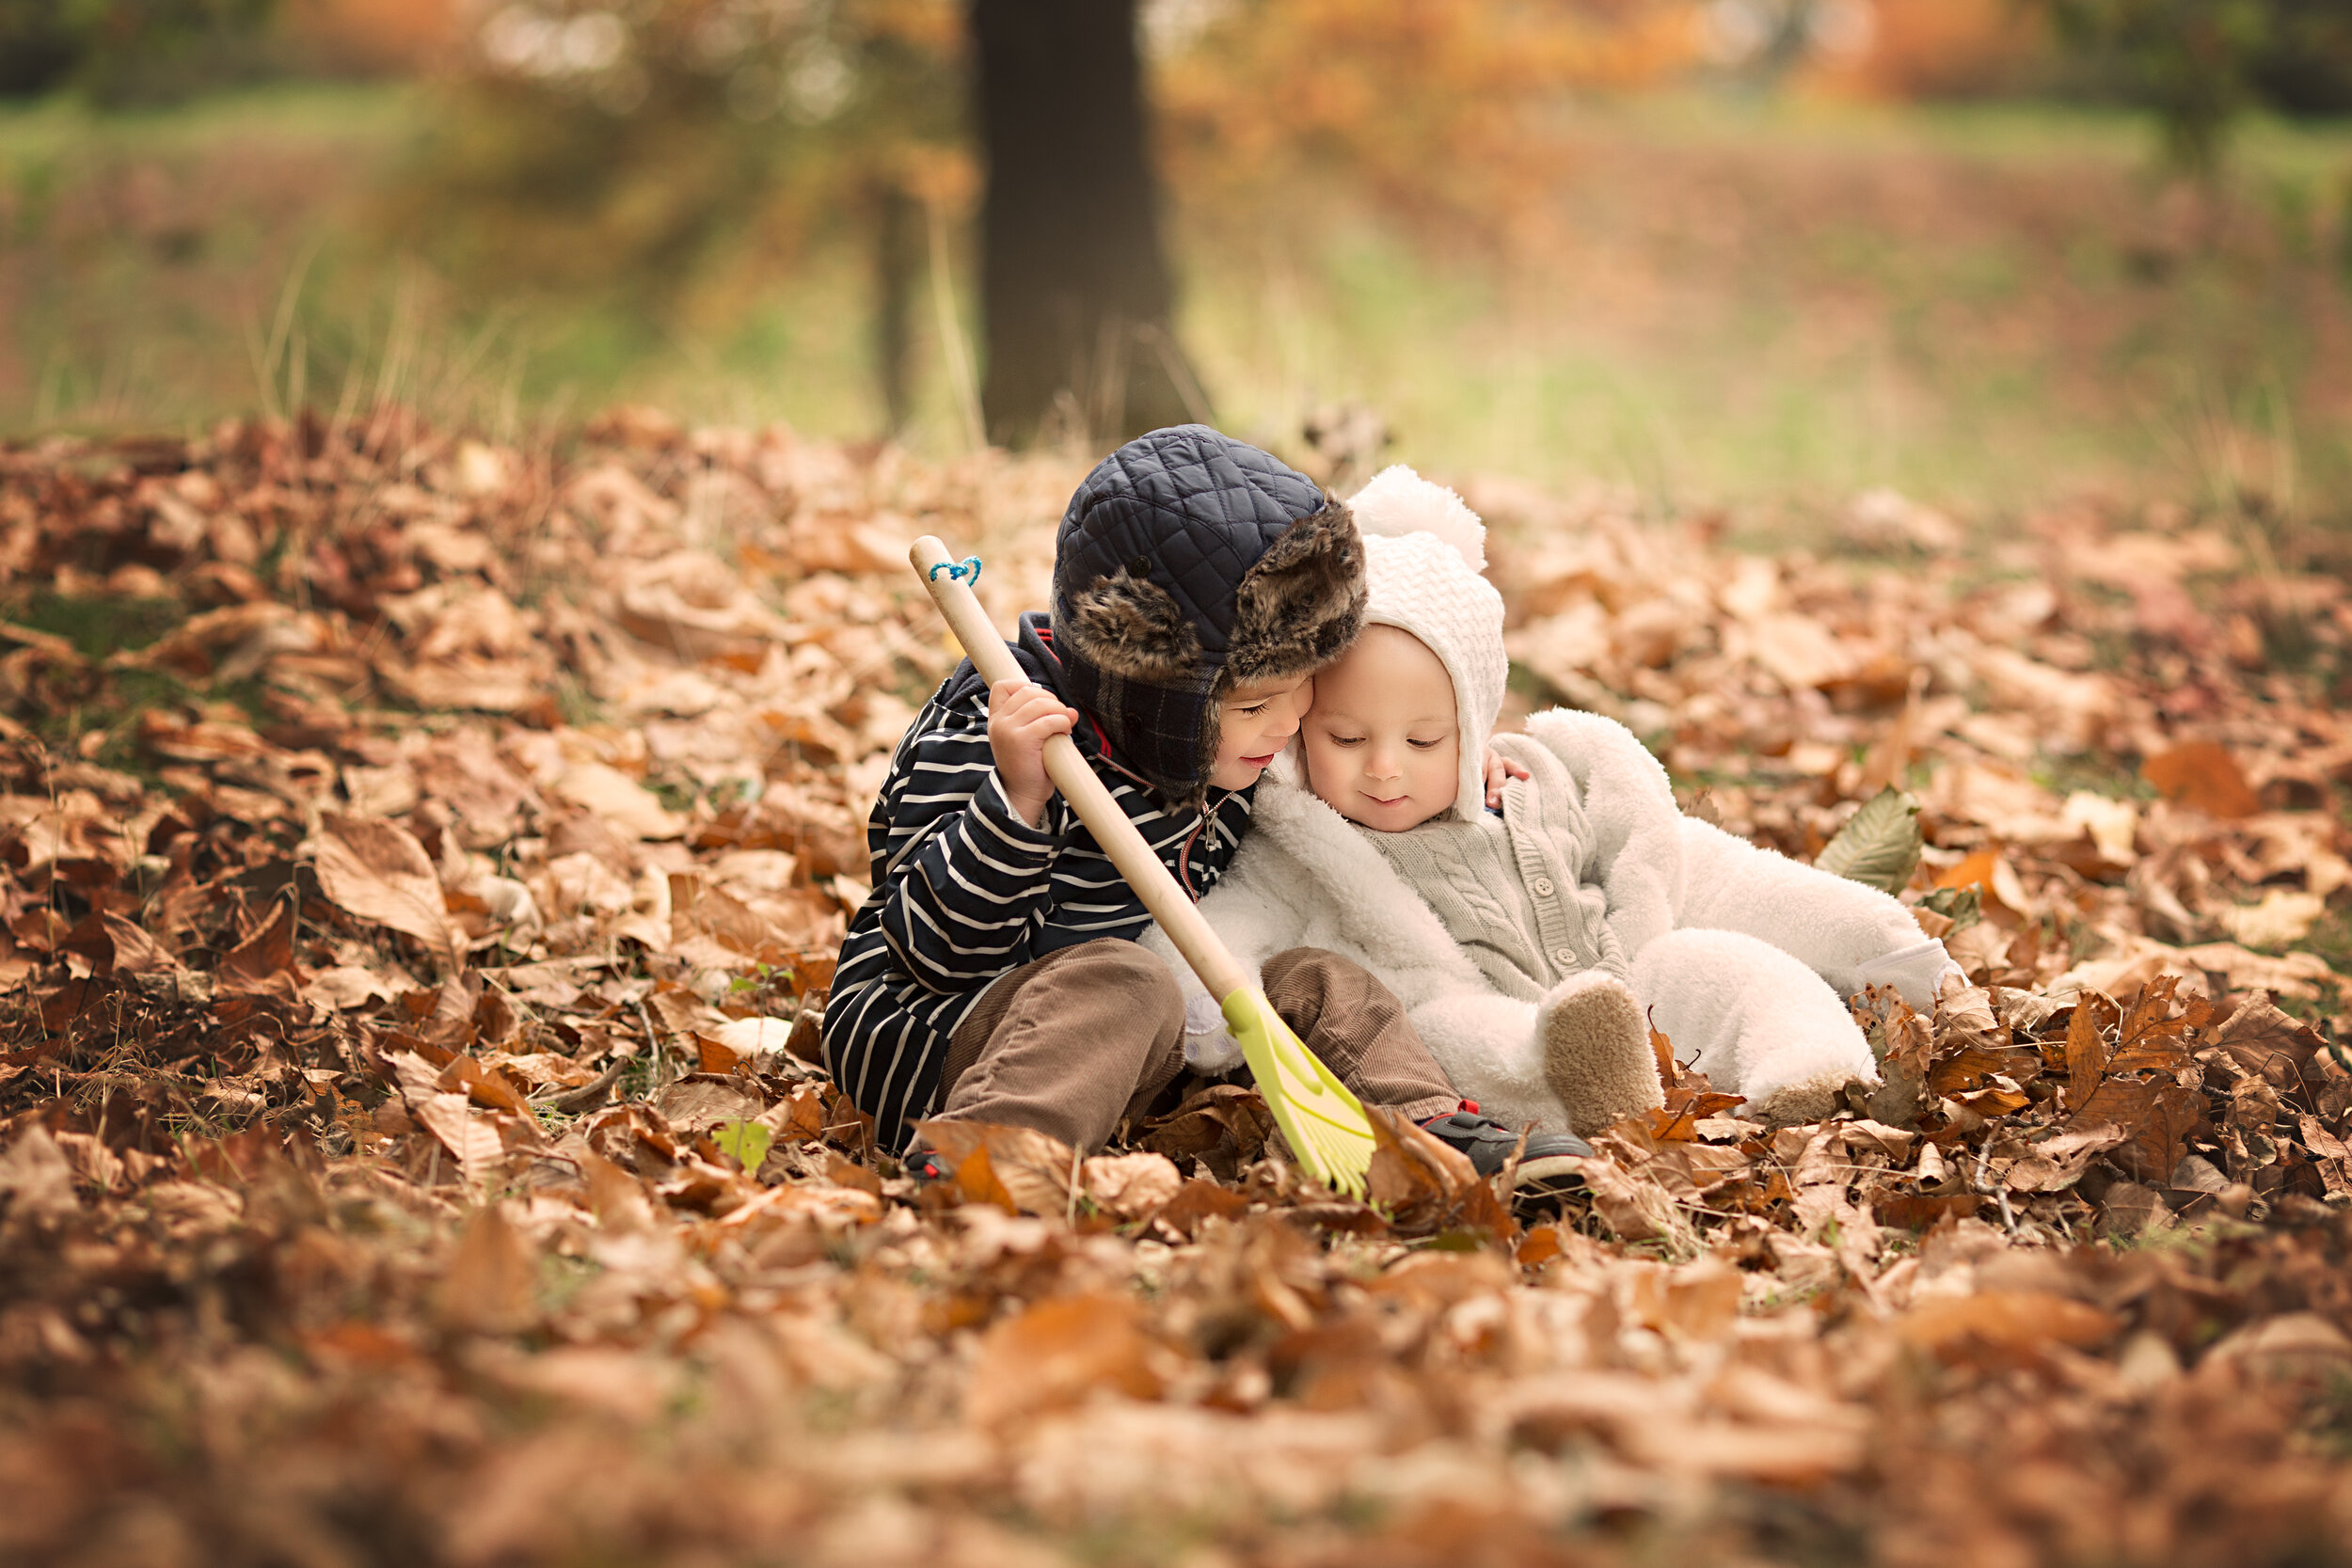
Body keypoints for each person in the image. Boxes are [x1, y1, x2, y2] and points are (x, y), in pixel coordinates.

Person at [822, 426, 1593, 1195]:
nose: (1290, 722)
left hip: (1156, 1031)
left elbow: (1362, 773)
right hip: (949, 1040)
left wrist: (1454, 762)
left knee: (1324, 975)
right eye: (1258, 700)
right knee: (1127, 980)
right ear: (1162, 697)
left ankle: (1429, 1135)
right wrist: (1015, 803)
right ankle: (988, 1159)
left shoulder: (1247, 738)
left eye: (1308, 687)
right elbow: (932, 951)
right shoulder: (1003, 734)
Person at [1147, 466, 1962, 1134]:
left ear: (1476, 724)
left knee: (1728, 967)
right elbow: (1216, 928)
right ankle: (1585, 1092)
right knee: (1446, 1031)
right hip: (1484, 1018)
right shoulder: (1308, 842)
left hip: (1631, 976)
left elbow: (1708, 872)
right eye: (1347, 740)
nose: (1385, 770)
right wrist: (1199, 1010)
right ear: (1300, 727)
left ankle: (1820, 1080)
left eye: (1426, 742)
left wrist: (1885, 943)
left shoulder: (1544, 784)